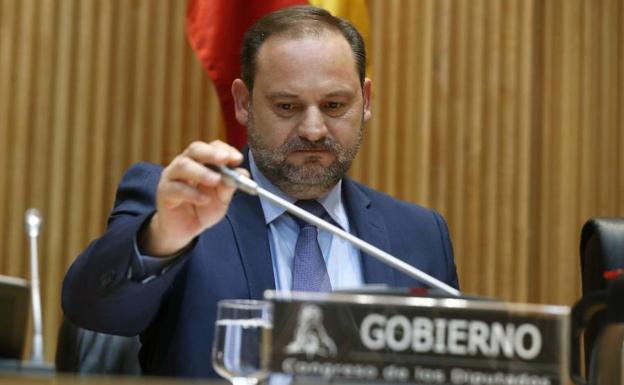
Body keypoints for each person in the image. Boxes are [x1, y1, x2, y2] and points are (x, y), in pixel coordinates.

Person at [62, 5, 459, 378]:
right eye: (287, 106)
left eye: (335, 105)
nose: (313, 129)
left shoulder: (419, 237)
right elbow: (94, 312)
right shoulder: (184, 207)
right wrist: (164, 236)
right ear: (244, 103)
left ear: (366, 101)